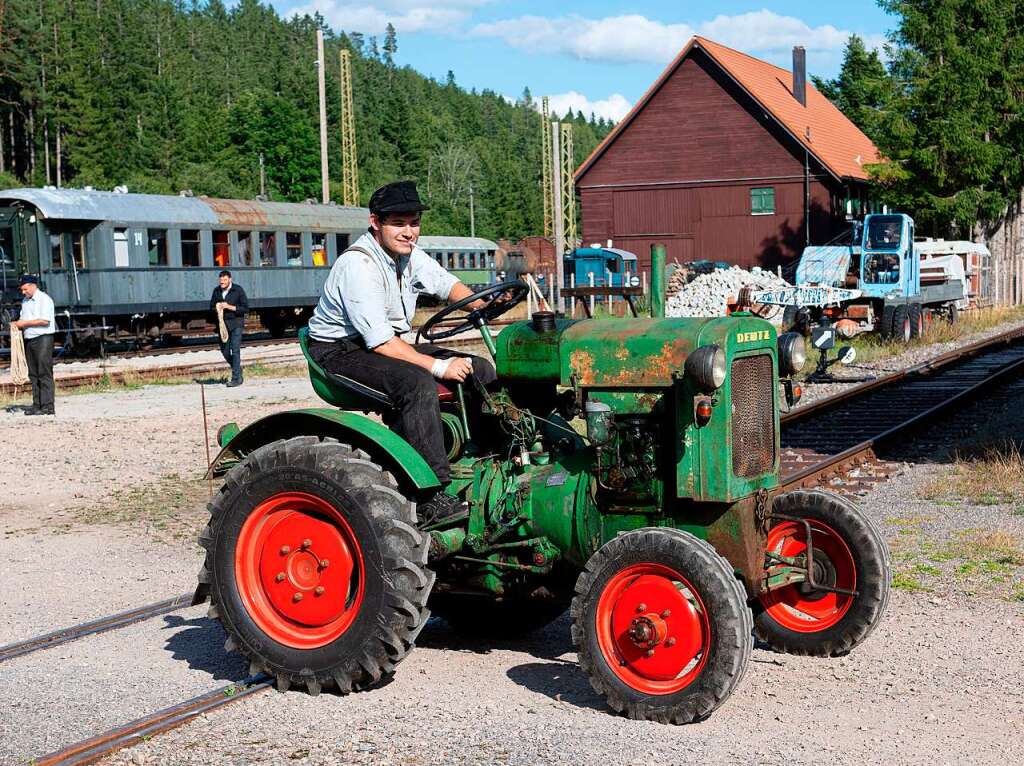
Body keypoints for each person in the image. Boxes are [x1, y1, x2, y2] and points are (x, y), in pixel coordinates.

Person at [307, 180, 497, 522]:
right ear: (375, 222)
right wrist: (439, 367)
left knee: (479, 368)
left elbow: (446, 284)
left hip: (378, 346)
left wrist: (482, 306)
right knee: (416, 383)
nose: (409, 231)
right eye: (399, 223)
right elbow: (380, 342)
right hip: (339, 353)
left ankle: (489, 455)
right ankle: (430, 494)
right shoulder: (358, 266)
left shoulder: (408, 256)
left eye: (414, 222)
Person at [11, 274, 56, 415]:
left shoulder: (44, 300)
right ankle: (37, 405)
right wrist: (17, 324)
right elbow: (24, 318)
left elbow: (45, 321)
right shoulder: (25, 301)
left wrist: (23, 323)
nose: (23, 292)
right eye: (22, 290)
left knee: (44, 372)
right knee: (34, 374)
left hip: (43, 338)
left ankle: (48, 406)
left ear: (32, 285)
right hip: (30, 339)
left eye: (25, 289)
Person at [209, 270, 249, 387]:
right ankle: (237, 369)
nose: (222, 283)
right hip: (223, 325)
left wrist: (229, 307)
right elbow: (211, 307)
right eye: (221, 281)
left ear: (230, 279)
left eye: (225, 280)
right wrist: (216, 308)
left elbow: (245, 308)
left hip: (236, 323)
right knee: (225, 351)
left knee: (235, 350)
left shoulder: (238, 290)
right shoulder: (216, 291)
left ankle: (236, 378)